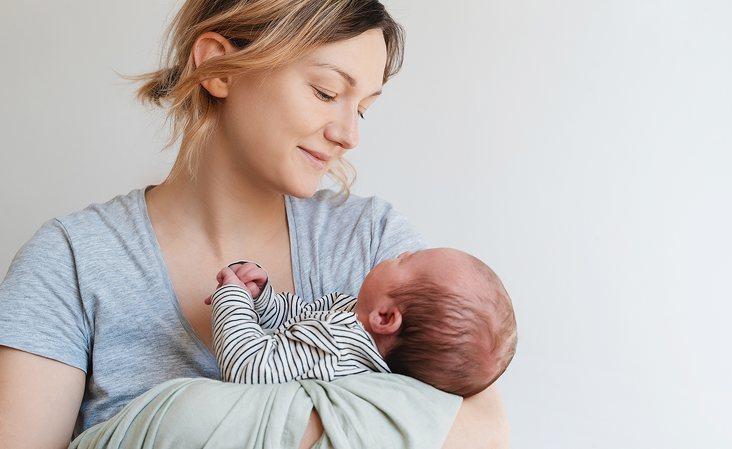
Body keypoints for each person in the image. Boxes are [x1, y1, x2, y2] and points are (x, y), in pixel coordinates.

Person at [0, 1, 510, 448]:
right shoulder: (71, 261)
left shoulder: (371, 238)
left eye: (365, 109)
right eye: (327, 91)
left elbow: (483, 436)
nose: (349, 134)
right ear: (219, 66)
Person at [209, 248, 517, 397]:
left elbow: (249, 367)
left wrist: (233, 299)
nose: (404, 250)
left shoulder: (337, 346)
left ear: (384, 317)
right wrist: (262, 299)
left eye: (406, 260)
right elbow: (293, 324)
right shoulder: (350, 318)